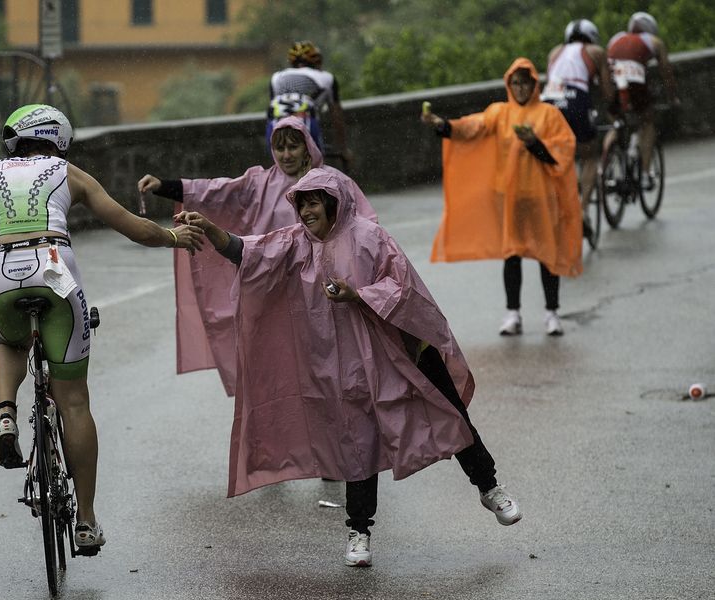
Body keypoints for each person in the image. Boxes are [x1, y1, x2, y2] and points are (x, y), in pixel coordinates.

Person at [175, 168, 521, 568]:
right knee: (358, 443)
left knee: (450, 417)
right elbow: (246, 251)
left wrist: (360, 294)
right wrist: (210, 229)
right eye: (300, 203)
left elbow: (404, 289)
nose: (305, 211)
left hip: (404, 352)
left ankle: (489, 487)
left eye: (313, 201)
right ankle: (359, 530)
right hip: (348, 366)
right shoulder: (294, 245)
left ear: (334, 203)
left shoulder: (371, 237)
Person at [0, 104, 204, 550]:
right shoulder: (68, 172)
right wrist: (173, 237)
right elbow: (130, 226)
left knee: (10, 341)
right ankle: (87, 521)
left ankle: (5, 414)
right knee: (74, 402)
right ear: (57, 139)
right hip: (53, 266)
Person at [136, 116, 376, 396]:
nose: (286, 155)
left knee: (329, 353)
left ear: (307, 147)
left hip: (323, 284)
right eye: (279, 148)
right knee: (281, 354)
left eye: (293, 147)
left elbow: (365, 226)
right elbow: (216, 190)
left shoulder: (335, 181)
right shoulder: (258, 183)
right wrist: (165, 186)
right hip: (274, 280)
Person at [422, 58, 582, 336]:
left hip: (541, 196)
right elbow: (473, 127)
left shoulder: (549, 115)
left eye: (525, 83)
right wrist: (444, 125)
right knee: (512, 253)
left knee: (548, 253)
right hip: (509, 196)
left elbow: (563, 152)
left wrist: (535, 144)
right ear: (510, 85)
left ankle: (551, 312)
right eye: (515, 83)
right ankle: (513, 313)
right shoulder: (499, 113)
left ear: (534, 84)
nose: (520, 88)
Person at [542, 19, 614, 234]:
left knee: (561, 154)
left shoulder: (555, 52)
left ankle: (564, 199)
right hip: (576, 98)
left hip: (549, 100)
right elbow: (607, 92)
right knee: (589, 155)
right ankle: (581, 212)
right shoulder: (596, 51)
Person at [605, 11, 680, 187]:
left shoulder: (615, 39)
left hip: (615, 80)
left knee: (616, 122)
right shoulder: (654, 42)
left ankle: (606, 167)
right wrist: (672, 97)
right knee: (647, 121)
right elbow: (666, 72)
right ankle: (645, 174)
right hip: (635, 81)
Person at [268, 40, 352, 166]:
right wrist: (343, 149)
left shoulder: (276, 77)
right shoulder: (327, 78)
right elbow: (337, 117)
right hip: (305, 117)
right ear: (316, 62)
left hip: (275, 122)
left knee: (279, 170)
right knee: (315, 170)